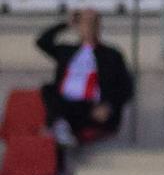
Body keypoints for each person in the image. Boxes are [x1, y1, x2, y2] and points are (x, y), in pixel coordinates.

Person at [38, 7, 134, 144]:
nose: (89, 27)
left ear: (99, 25)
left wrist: (109, 105)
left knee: (66, 113)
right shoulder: (67, 51)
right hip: (66, 103)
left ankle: (61, 126)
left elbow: (126, 87)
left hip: (92, 107)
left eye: (93, 22)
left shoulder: (111, 55)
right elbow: (42, 42)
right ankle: (61, 127)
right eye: (84, 22)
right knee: (48, 90)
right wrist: (66, 23)